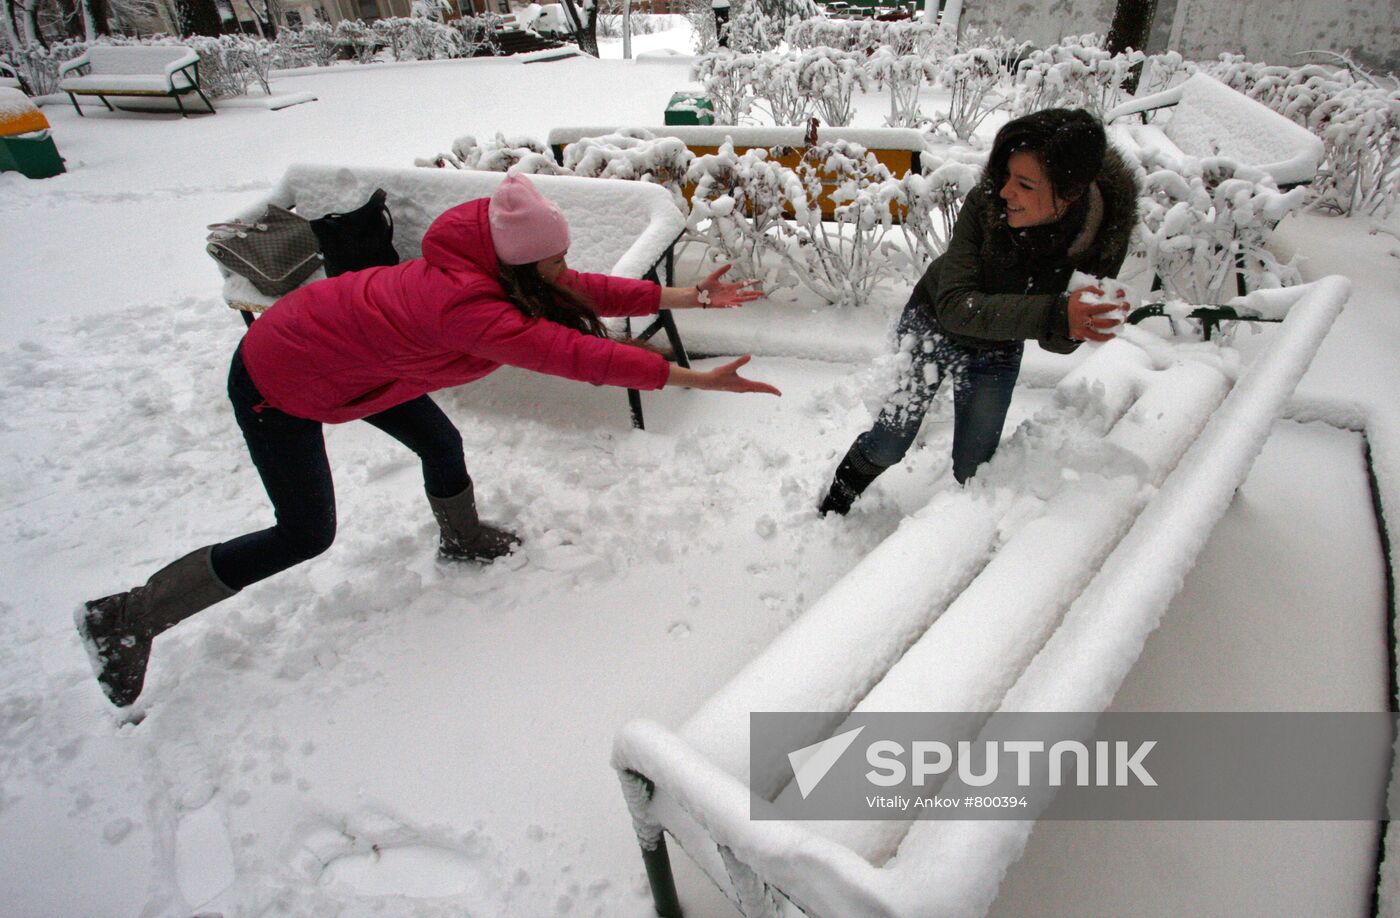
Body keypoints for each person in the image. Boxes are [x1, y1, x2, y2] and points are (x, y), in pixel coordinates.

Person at [78, 173, 779, 709]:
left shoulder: (489, 257)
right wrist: (694, 379)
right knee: (305, 531)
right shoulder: (467, 309)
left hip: (354, 362)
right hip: (278, 379)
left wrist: (687, 298)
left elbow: (574, 290)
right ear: (521, 265)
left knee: (440, 444)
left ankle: (461, 537)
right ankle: (128, 615)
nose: (564, 270)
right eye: (554, 261)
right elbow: (577, 355)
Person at [818, 108, 1140, 516]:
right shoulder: (987, 202)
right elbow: (956, 307)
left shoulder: (1098, 237)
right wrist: (1057, 314)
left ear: (1071, 193)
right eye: (1007, 175)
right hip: (931, 324)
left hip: (998, 346)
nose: (1006, 192)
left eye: (1025, 184)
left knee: (976, 467)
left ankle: (956, 535)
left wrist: (1080, 323)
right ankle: (833, 505)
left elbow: (1059, 340)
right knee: (890, 439)